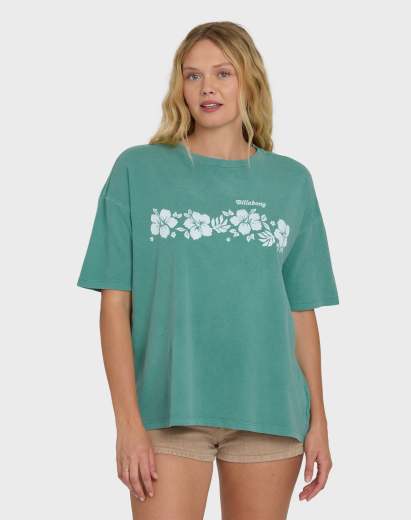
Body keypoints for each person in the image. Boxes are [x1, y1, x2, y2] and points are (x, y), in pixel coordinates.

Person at [77, 21, 340, 520]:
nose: (207, 88)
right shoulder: (137, 170)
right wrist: (127, 423)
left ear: (249, 81)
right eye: (193, 75)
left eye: (223, 73)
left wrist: (319, 421)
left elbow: (300, 312)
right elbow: (114, 307)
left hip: (270, 411)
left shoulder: (291, 182)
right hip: (166, 410)